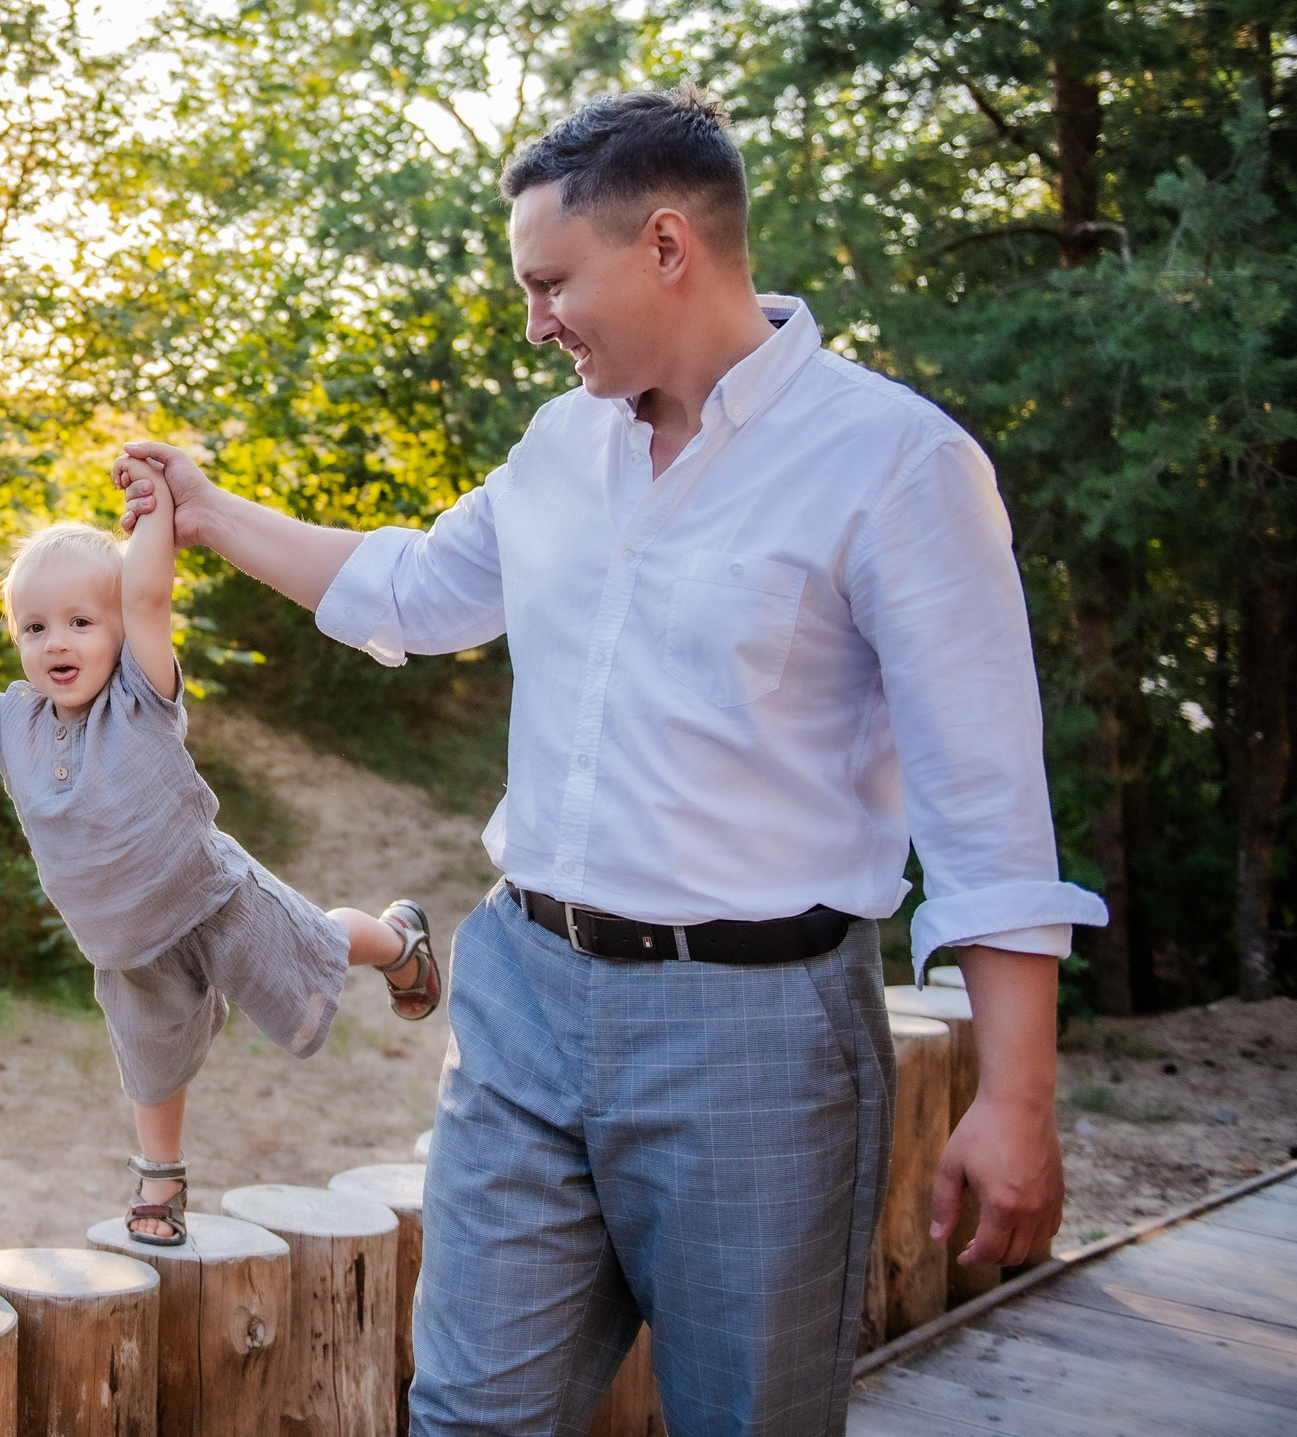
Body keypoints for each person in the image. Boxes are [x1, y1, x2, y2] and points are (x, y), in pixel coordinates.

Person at [116, 87, 1107, 1435]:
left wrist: (1018, 1094)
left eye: (549, 282)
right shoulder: (560, 446)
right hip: (526, 995)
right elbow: (412, 588)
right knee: (466, 1415)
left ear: (663, 243)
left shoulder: (895, 463)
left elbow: (988, 813)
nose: (536, 319)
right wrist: (211, 509)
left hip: (759, 1036)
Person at [0, 462, 440, 1247]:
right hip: (126, 947)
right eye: (35, 627)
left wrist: (152, 510)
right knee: (149, 1060)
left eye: (83, 622)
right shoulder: (13, 724)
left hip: (215, 899)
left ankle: (397, 939)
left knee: (319, 945)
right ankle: (161, 1181)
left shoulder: (140, 695)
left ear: (121, 632)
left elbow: (149, 595)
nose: (57, 641)